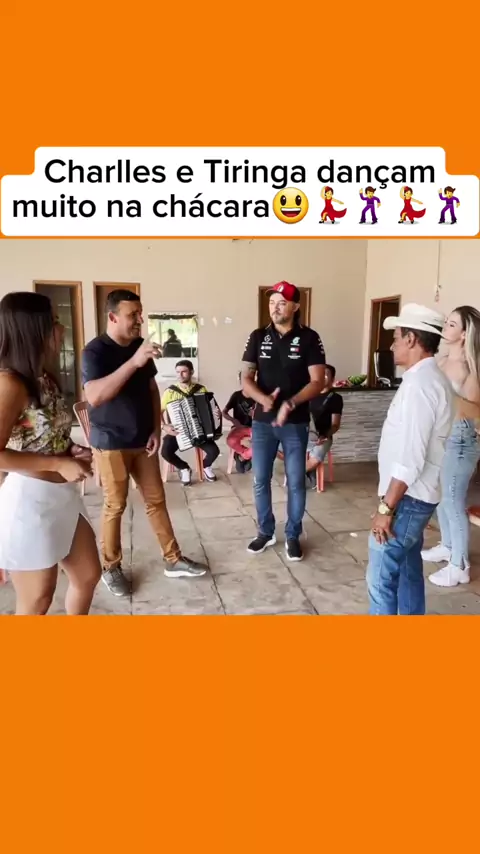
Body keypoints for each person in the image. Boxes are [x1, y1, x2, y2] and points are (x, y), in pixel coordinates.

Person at [82, 290, 207, 597]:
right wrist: (134, 362)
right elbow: (95, 396)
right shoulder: (95, 352)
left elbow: (152, 389)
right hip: (111, 442)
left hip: (143, 440)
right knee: (115, 505)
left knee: (156, 500)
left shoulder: (139, 345)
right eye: (132, 315)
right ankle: (110, 568)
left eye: (140, 313)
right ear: (113, 317)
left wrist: (156, 428)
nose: (139, 320)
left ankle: (173, 559)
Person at [0, 291, 101, 615]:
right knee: (38, 599)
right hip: (30, 502)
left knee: (87, 575)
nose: (61, 329)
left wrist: (69, 450)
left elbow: (44, 435)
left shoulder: (44, 378)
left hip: (62, 497)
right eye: (54, 321)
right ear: (32, 329)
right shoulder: (9, 384)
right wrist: (58, 463)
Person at [367, 303, 454, 616]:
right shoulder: (427, 378)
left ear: (412, 339)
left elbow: (410, 457)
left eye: (396, 338)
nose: (392, 346)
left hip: (408, 498)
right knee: (407, 569)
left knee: (380, 578)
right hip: (415, 495)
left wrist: (386, 509)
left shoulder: (420, 385)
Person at [242, 281, 326, 561]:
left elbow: (318, 381)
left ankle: (292, 535)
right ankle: (265, 532)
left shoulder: (310, 338)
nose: (275, 308)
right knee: (260, 480)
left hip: (295, 423)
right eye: (271, 303)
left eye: (281, 303)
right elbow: (245, 379)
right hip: (262, 423)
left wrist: (290, 403)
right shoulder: (257, 336)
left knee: (296, 482)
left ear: (295, 306)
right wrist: (263, 399)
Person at [422, 306, 480, 587]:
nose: (445, 327)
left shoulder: (472, 367)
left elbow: (475, 410)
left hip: (461, 440)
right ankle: (447, 546)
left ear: (465, 333)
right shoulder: (441, 360)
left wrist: (447, 394)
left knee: (453, 501)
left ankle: (460, 565)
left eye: (452, 324)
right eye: (446, 322)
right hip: (440, 438)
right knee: (440, 497)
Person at [161, 360, 220, 484]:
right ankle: (184, 468)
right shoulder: (170, 392)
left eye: (184, 372)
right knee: (165, 452)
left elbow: (210, 408)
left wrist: (216, 414)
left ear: (191, 372)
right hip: (178, 431)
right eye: (178, 372)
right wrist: (164, 426)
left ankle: (205, 466)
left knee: (214, 451)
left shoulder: (201, 389)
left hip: (200, 431)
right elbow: (158, 412)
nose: (180, 375)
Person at [306, 364, 343, 489]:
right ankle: (306, 472)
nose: (322, 377)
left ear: (332, 379)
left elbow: (335, 425)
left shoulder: (335, 398)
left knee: (316, 457)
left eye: (326, 374)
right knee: (278, 447)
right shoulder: (308, 395)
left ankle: (296, 475)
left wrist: (325, 435)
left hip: (324, 437)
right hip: (306, 434)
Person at [223, 372, 254, 473]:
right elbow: (224, 412)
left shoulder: (258, 397)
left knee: (261, 444)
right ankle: (244, 454)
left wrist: (255, 415)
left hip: (253, 428)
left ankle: (242, 456)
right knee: (230, 440)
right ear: (240, 381)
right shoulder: (236, 395)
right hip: (238, 427)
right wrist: (233, 420)